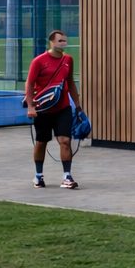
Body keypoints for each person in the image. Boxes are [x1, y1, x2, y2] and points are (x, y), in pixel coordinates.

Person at [26, 29, 82, 189]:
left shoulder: (68, 60)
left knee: (65, 141)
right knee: (41, 142)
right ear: (52, 42)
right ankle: (38, 176)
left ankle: (67, 177)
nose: (64, 43)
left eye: (65, 40)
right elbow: (29, 84)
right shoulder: (39, 61)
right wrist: (31, 107)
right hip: (42, 109)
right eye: (60, 41)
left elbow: (70, 83)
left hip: (62, 108)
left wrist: (77, 107)